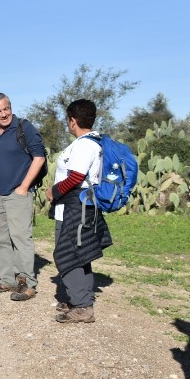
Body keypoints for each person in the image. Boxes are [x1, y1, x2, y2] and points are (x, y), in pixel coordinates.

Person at [45, 99, 112, 323]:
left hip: (75, 206)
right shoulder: (94, 142)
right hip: (83, 205)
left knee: (67, 254)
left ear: (73, 121)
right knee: (81, 253)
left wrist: (54, 191)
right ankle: (80, 299)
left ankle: (83, 307)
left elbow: (75, 177)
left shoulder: (83, 145)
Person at [0, 92, 46, 301]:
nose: (4, 114)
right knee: (0, 240)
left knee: (21, 238)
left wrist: (24, 187)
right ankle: (7, 280)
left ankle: (27, 284)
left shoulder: (25, 128)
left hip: (18, 194)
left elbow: (39, 157)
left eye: (6, 108)